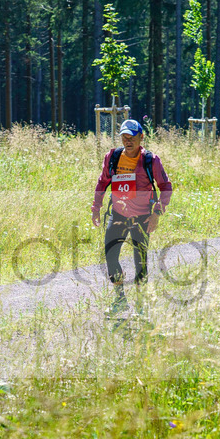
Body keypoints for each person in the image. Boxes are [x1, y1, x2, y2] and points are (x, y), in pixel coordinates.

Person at [91, 119, 173, 316]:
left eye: (132, 137)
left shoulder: (151, 160)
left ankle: (141, 306)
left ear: (141, 137)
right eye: (124, 137)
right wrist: (96, 207)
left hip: (143, 217)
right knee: (110, 255)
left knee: (140, 262)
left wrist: (157, 214)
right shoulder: (113, 156)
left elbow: (166, 187)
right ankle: (120, 299)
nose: (128, 141)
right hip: (118, 214)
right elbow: (103, 182)